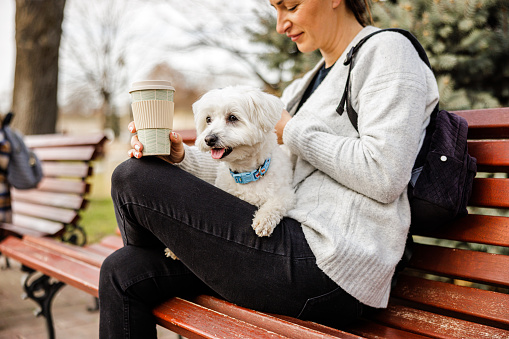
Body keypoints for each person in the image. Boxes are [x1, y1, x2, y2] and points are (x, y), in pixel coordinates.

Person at [99, 0, 439, 337]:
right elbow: (251, 165)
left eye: (290, 6)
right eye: (276, 10)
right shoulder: (301, 88)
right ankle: (158, 245)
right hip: (280, 243)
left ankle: (160, 243)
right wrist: (181, 158)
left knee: (133, 178)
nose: (281, 24)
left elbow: (385, 174)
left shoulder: (388, 52)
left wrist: (291, 129)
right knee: (123, 270)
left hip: (333, 263)